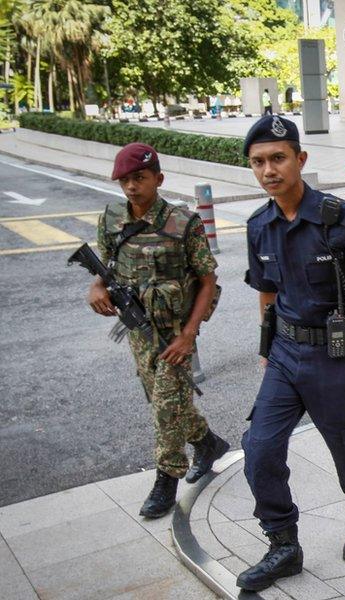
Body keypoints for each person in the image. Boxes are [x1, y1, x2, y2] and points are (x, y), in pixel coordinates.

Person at [237, 115, 345, 592]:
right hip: (285, 354)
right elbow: (265, 292)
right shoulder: (259, 226)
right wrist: (267, 350)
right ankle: (283, 544)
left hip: (333, 356)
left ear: (300, 160)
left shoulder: (341, 218)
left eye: (278, 158)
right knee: (259, 448)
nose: (269, 169)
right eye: (258, 162)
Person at [87, 143, 227, 519]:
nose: (131, 187)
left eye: (139, 178)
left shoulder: (183, 223)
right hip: (137, 330)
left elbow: (208, 281)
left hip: (176, 333)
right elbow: (106, 266)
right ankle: (208, 442)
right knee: (168, 402)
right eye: (124, 180)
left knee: (167, 407)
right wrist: (97, 287)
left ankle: (167, 477)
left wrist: (189, 336)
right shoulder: (111, 218)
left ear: (158, 179)